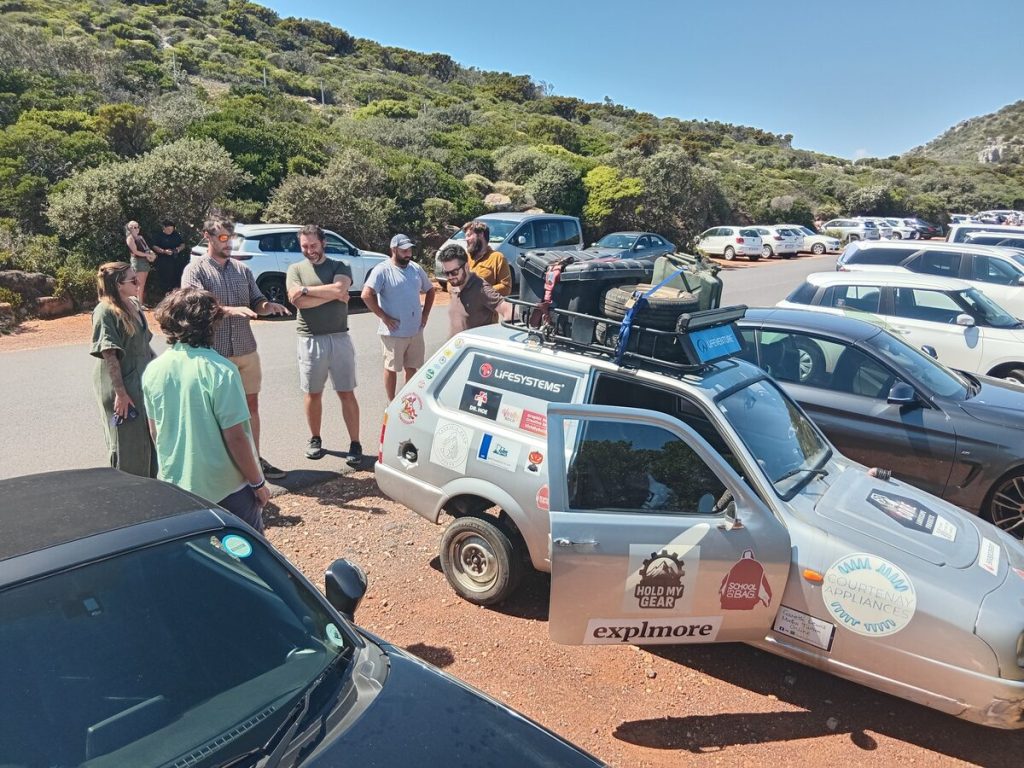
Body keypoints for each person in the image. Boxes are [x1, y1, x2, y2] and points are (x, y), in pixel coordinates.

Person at [142, 287, 269, 532]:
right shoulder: (220, 370)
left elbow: (155, 431)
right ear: (210, 323)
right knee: (248, 556)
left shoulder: (154, 370)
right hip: (227, 488)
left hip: (177, 485)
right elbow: (236, 437)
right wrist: (257, 483)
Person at [181, 216, 291, 479]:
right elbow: (194, 308)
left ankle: (254, 460)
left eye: (231, 237)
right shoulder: (194, 270)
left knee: (251, 406)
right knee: (217, 412)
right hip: (214, 353)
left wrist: (267, 307)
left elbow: (257, 301)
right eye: (221, 237)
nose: (228, 243)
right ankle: (221, 466)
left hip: (246, 350)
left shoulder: (243, 271)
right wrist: (230, 310)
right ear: (207, 237)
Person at [286, 225, 363, 468]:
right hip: (309, 338)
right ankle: (315, 439)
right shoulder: (295, 269)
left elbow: (341, 288)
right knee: (312, 392)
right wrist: (330, 293)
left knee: (346, 391)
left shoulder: (340, 266)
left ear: (323, 243)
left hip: (339, 337)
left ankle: (355, 443)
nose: (309, 251)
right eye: (304, 247)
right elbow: (297, 302)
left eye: (313, 245)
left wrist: (307, 290)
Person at [90, 262, 156, 477]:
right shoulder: (105, 311)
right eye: (133, 280)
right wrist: (121, 393)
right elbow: (109, 353)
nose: (138, 282)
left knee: (148, 436)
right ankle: (129, 492)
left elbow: (143, 346)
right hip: (121, 384)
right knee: (127, 441)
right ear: (119, 285)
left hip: (140, 377)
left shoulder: (134, 304)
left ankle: (151, 486)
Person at [361, 234, 435, 401]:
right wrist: (384, 317)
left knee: (412, 368)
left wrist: (425, 315)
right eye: (404, 251)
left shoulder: (415, 268)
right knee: (391, 368)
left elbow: (430, 290)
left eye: (409, 250)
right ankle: (391, 402)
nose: (408, 254)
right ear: (393, 249)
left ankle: (408, 401)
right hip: (393, 332)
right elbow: (366, 295)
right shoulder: (382, 270)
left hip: (415, 330)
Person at [438, 244, 512, 338]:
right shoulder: (454, 285)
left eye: (454, 272)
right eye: (446, 273)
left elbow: (510, 312)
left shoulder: (481, 288)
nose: (450, 277)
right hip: (456, 348)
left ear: (466, 267)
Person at [463, 220, 512, 296]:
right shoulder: (464, 257)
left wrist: (481, 290)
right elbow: (451, 281)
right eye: (466, 236)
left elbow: (506, 287)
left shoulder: (497, 258)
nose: (466, 239)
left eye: (469, 235)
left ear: (481, 234)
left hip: (486, 307)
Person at [150, 218, 188, 294]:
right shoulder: (158, 235)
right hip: (163, 261)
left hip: (176, 260)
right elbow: (154, 246)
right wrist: (164, 251)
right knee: (165, 277)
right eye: (168, 229)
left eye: (172, 229)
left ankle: (175, 292)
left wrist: (178, 249)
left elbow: (182, 244)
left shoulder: (175, 234)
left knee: (177, 276)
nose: (170, 231)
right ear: (164, 228)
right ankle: (164, 293)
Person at [125, 221, 155, 306]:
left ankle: (140, 303)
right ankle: (139, 304)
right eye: (133, 227)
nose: (136, 229)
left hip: (145, 261)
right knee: (139, 284)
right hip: (137, 261)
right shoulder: (130, 238)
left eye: (137, 227)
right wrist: (147, 255)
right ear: (129, 229)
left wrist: (151, 254)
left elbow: (146, 248)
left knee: (142, 284)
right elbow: (135, 251)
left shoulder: (140, 237)